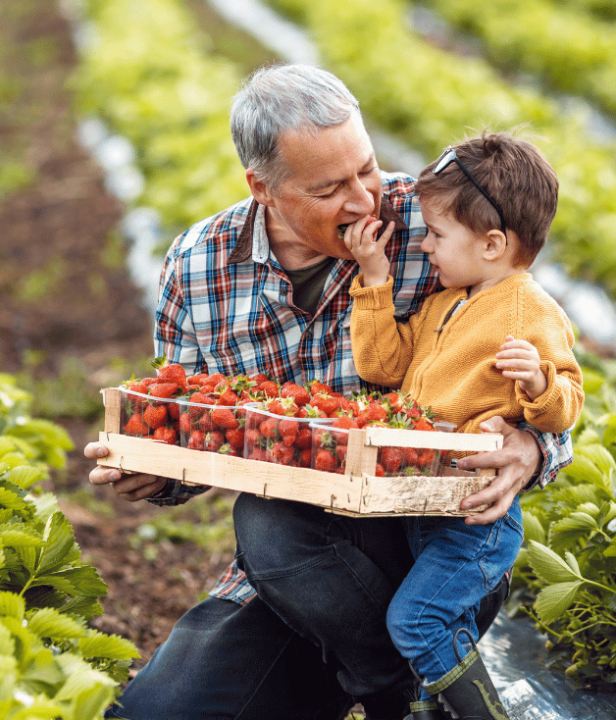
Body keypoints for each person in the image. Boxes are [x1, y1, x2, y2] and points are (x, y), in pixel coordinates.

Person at [84, 64, 573, 720]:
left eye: (366, 169)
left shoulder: (436, 225)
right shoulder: (198, 267)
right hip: (292, 577)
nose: (365, 201)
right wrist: (156, 468)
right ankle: (392, 687)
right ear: (263, 187)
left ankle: (393, 679)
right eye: (330, 188)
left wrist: (533, 449)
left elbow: (543, 365)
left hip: (428, 544)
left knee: (268, 518)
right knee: (161, 710)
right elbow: (193, 425)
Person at [341, 131, 584, 719]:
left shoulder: (532, 313)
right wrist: (373, 277)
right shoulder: (442, 304)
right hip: (426, 506)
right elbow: (381, 366)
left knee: (416, 622)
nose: (424, 246)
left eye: (437, 235)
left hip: (476, 518)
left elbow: (568, 401)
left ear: (494, 244)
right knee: (434, 637)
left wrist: (538, 386)